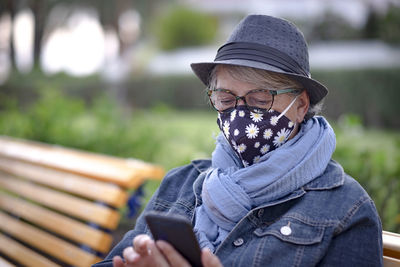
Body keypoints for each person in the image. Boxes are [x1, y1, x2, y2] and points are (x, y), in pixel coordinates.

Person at [93, 14, 383, 267]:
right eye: (226, 99)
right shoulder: (181, 183)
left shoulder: (346, 210)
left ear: (301, 105)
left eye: (259, 99)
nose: (241, 114)